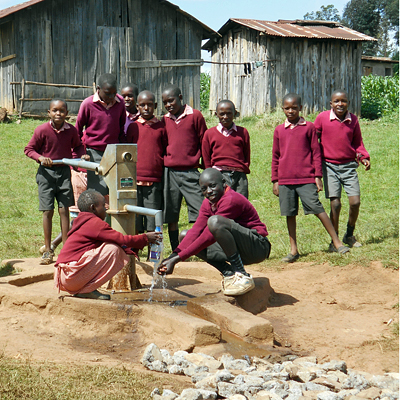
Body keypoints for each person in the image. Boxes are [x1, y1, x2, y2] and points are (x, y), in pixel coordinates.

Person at [157, 168, 271, 296]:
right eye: (204, 189)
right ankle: (229, 273)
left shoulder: (230, 199)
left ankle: (242, 275)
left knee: (215, 222)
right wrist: (171, 257)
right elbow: (196, 231)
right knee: (185, 236)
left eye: (212, 186)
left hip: (257, 247)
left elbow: (208, 236)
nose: (209, 191)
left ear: (223, 182)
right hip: (238, 248)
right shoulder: (209, 203)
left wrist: (178, 259)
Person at [271, 94, 349, 262]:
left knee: (317, 208)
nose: (290, 111)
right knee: (289, 214)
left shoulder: (309, 127)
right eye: (287, 108)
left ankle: (337, 242)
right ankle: (293, 250)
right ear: (282, 109)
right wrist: (275, 180)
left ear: (300, 108)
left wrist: (318, 176)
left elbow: (316, 152)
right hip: (285, 180)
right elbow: (275, 156)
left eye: (294, 108)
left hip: (306, 178)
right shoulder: (279, 130)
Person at [54, 190, 161, 300]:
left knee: (113, 246)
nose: (106, 208)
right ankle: (87, 289)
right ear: (93, 208)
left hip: (66, 275)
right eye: (103, 205)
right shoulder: (94, 223)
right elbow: (122, 239)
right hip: (71, 276)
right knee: (113, 250)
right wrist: (145, 238)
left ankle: (85, 289)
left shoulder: (81, 220)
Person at [24, 99, 85, 265]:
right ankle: (48, 249)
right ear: (48, 112)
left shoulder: (71, 131)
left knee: (64, 210)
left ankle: (67, 250)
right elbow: (29, 149)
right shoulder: (42, 130)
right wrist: (41, 158)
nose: (58, 114)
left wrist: (81, 156)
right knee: (47, 211)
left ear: (67, 113)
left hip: (64, 172)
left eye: (62, 111)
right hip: (46, 175)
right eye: (55, 110)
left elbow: (78, 146)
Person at [314, 90, 370, 249]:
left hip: (348, 166)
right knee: (335, 204)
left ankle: (349, 234)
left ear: (348, 103)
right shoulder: (322, 118)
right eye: (336, 101)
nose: (340, 104)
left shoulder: (353, 120)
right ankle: (335, 239)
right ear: (330, 104)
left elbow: (358, 142)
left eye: (343, 101)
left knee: (355, 202)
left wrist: (363, 157)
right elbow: (314, 139)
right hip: (329, 165)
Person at [161, 85, 208, 252]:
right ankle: (176, 249)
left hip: (190, 172)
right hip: (170, 173)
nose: (168, 105)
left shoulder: (195, 116)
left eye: (171, 100)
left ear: (180, 97)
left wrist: (207, 169)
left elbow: (204, 141)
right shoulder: (164, 120)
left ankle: (197, 246)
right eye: (165, 102)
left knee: (199, 209)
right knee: (171, 213)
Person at [75, 73, 126, 197]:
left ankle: (111, 216)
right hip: (94, 152)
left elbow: (121, 127)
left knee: (114, 187)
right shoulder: (88, 104)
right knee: (96, 190)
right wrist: (81, 152)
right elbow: (78, 129)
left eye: (114, 93)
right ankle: (97, 216)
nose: (112, 96)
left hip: (113, 151)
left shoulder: (120, 103)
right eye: (108, 93)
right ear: (98, 89)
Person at [126, 90, 167, 233]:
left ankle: (153, 253)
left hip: (154, 180)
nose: (146, 108)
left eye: (149, 105)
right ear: (137, 106)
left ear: (155, 105)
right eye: (142, 105)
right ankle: (135, 252)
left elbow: (164, 149)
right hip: (134, 179)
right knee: (135, 218)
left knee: (152, 217)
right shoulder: (133, 127)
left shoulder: (161, 127)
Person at [202, 100, 250, 198]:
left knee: (241, 203)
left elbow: (246, 154)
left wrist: (242, 168)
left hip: (239, 175)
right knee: (221, 202)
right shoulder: (209, 134)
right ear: (216, 114)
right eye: (222, 114)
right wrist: (211, 175)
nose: (225, 117)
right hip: (219, 174)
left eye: (229, 113)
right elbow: (206, 157)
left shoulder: (243, 132)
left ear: (235, 113)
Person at [39, 168, 87, 255]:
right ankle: (49, 249)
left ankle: (63, 248)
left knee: (67, 213)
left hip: (85, 172)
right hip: (80, 174)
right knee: (76, 219)